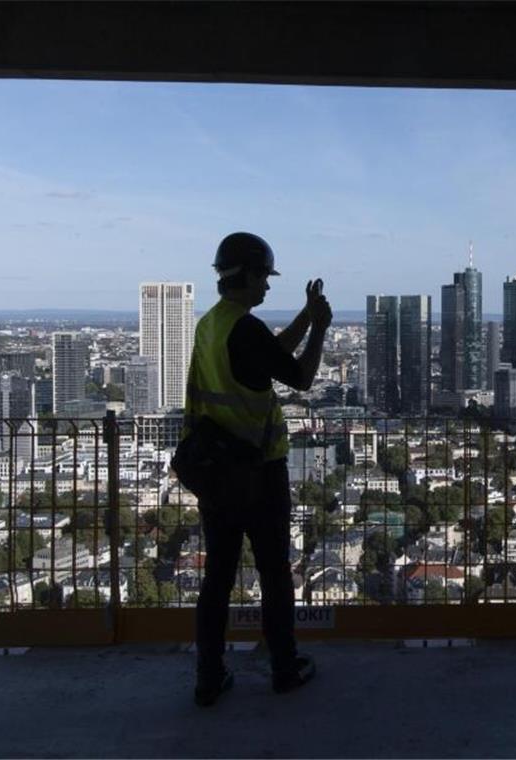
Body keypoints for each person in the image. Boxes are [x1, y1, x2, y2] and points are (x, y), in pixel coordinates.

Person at [183, 231, 332, 707]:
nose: (267, 286)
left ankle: (209, 677)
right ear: (245, 274)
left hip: (215, 469)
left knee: (218, 579)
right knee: (273, 574)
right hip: (258, 471)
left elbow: (267, 357)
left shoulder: (213, 324)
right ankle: (284, 669)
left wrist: (305, 319)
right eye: (264, 277)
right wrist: (322, 328)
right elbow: (301, 377)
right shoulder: (243, 328)